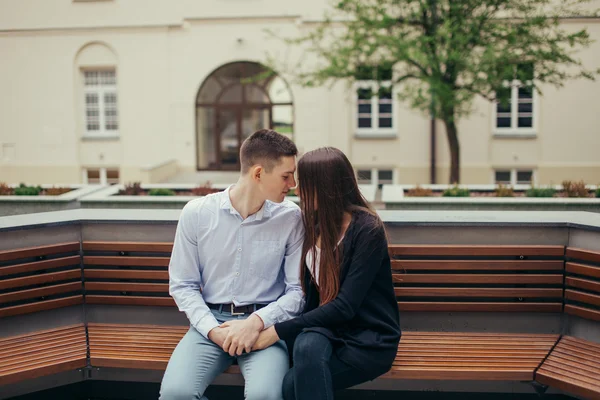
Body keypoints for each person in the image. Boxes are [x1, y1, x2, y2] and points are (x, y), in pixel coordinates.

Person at [159, 129, 305, 400]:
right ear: (258, 173)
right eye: (286, 176)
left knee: (266, 397)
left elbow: (297, 292)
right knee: (175, 394)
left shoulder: (291, 218)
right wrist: (212, 330)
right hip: (211, 324)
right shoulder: (197, 214)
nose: (293, 184)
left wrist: (256, 322)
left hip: (264, 327)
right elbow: (183, 285)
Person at [252, 147, 401, 400]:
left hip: (366, 337)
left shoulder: (367, 230)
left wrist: (276, 331)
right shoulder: (313, 224)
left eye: (305, 184)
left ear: (326, 187)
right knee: (305, 347)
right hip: (325, 329)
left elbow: (345, 307)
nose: (297, 189)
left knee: (290, 386)